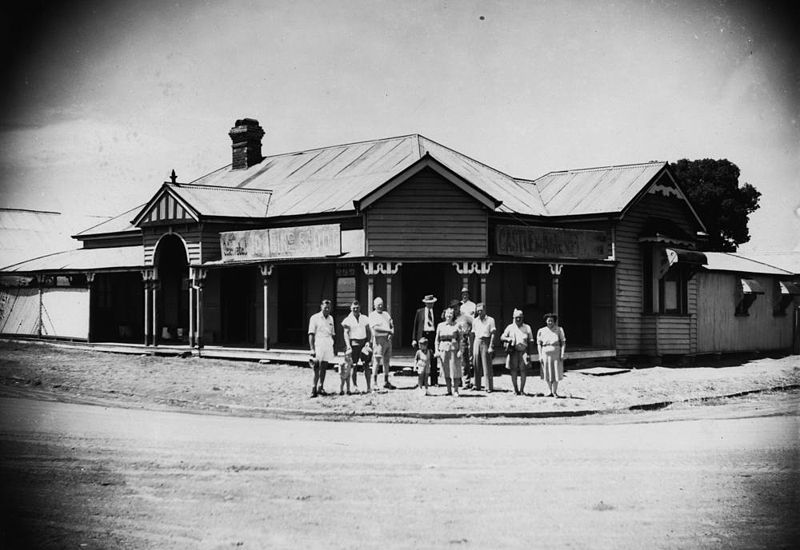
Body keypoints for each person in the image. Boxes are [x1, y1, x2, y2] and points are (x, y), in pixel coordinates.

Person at [500, 308, 534, 395]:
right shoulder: (510, 327)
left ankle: (522, 390)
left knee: (523, 370)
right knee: (513, 370)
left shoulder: (527, 327)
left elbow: (531, 341)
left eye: (520, 317)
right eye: (516, 317)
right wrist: (508, 339)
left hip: (523, 351)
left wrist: (529, 354)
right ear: (513, 318)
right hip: (513, 352)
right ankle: (515, 389)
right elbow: (502, 337)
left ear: (523, 317)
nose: (518, 319)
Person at [341, 300, 372, 393]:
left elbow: (368, 331)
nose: (355, 309)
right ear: (351, 308)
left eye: (357, 308)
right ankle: (355, 386)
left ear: (360, 308)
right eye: (354, 308)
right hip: (353, 344)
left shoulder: (365, 318)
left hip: (363, 344)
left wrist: (368, 342)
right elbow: (346, 333)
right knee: (353, 365)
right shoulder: (347, 320)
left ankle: (368, 387)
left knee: (366, 365)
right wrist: (348, 346)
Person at [308, 299, 335, 398]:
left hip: (328, 343)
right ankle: (313, 388)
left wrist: (334, 347)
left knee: (324, 366)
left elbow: (333, 333)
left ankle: (321, 387)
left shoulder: (331, 318)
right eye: (325, 307)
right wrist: (312, 349)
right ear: (321, 307)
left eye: (328, 307)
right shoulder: (314, 318)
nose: (327, 309)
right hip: (318, 343)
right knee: (316, 367)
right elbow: (311, 334)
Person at [368, 296, 395, 391]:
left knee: (387, 362)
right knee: (376, 361)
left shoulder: (386, 314)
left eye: (381, 304)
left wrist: (391, 333)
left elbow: (391, 324)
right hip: (378, 341)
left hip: (387, 340)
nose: (380, 306)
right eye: (378, 304)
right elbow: (375, 329)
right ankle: (374, 382)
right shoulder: (372, 315)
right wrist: (388, 330)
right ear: (374, 305)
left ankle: (386, 381)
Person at [435, 306, 463, 396]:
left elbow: (461, 339)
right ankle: (448, 390)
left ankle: (456, 390)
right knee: (446, 370)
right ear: (444, 314)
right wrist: (437, 350)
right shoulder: (440, 325)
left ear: (453, 315)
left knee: (455, 370)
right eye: (447, 313)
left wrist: (460, 351)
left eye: (451, 314)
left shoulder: (457, 325)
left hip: (453, 349)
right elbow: (437, 340)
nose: (449, 315)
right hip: (443, 349)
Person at [412, 294, 439, 386]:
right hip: (423, 335)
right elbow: (415, 326)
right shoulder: (420, 312)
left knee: (433, 358)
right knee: (422, 358)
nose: (429, 305)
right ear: (425, 303)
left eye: (431, 303)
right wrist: (414, 339)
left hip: (432, 335)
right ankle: (421, 381)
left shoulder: (437, 311)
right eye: (428, 303)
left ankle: (434, 381)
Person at [537, 313, 567, 397]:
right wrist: (540, 355)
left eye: (552, 321)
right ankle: (549, 391)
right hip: (545, 353)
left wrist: (562, 353)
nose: (550, 322)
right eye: (548, 321)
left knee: (556, 372)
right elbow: (539, 344)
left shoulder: (559, 330)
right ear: (546, 321)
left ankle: (555, 392)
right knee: (546, 372)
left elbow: (563, 342)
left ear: (554, 322)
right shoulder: (541, 331)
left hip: (556, 353)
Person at [471, 302, 496, 392]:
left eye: (481, 310)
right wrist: (472, 347)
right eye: (478, 311)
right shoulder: (475, 320)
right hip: (477, 341)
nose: (479, 312)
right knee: (476, 364)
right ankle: (477, 385)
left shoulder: (490, 320)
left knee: (487, 365)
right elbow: (473, 334)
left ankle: (488, 387)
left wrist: (491, 346)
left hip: (486, 341)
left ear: (485, 310)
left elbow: (493, 334)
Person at [454, 301, 474, 389]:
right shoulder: (450, 317)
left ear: (459, 307)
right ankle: (458, 381)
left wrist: (468, 331)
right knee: (455, 362)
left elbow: (474, 323)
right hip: (453, 341)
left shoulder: (465, 317)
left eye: (456, 307)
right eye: (453, 307)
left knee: (464, 362)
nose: (455, 309)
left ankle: (467, 382)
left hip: (463, 340)